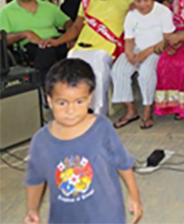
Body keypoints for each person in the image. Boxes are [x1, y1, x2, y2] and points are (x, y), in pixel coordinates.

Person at [24, 59, 142, 224]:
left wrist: (134, 196)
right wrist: (32, 209)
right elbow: (35, 179)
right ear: (50, 100)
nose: (71, 111)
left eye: (79, 102)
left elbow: (123, 163)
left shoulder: (102, 128)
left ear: (89, 99)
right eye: (62, 103)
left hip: (106, 217)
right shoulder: (41, 141)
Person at [39, 0, 133, 116]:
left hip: (107, 47)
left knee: (97, 70)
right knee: (71, 66)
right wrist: (58, 41)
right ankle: (76, 110)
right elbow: (76, 27)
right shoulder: (87, 1)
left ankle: (97, 113)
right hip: (81, 46)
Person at [111, 0, 175, 130]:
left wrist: (145, 53)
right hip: (136, 48)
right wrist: (129, 54)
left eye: (145, 0)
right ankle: (130, 110)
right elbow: (129, 39)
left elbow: (167, 39)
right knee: (118, 70)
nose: (142, 5)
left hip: (156, 50)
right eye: (138, 1)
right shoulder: (132, 14)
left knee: (146, 73)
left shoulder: (163, 12)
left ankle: (147, 110)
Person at [0, 0, 70, 86]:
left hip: (56, 41)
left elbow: (68, 23)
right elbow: (2, 39)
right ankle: (48, 89)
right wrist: (24, 34)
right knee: (46, 52)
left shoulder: (48, 6)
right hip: (31, 47)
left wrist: (70, 36)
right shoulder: (6, 12)